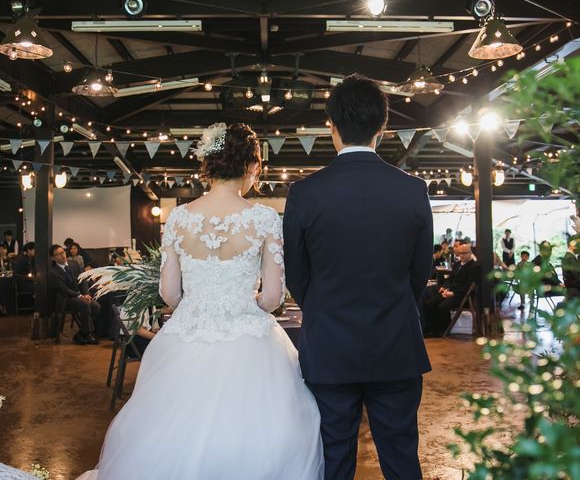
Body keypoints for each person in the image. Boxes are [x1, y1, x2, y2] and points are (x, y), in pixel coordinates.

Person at [77, 123, 323, 480]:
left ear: (209, 163)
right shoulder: (264, 218)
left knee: (170, 429)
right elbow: (272, 297)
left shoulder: (179, 217)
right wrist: (246, 306)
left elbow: (169, 293)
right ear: (252, 165)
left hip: (187, 334)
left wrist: (199, 307)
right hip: (249, 339)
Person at [284, 75, 432, 480]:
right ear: (382, 128)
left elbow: (297, 276)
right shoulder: (413, 190)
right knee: (402, 458)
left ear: (330, 125)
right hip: (396, 344)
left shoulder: (304, 193)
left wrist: (325, 306)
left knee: (334, 457)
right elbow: (420, 273)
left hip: (329, 347)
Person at [423, 243, 480, 337]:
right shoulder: (457, 264)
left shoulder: (474, 266)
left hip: (461, 296)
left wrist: (452, 293)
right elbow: (450, 279)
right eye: (460, 253)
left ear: (470, 253)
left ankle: (443, 330)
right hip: (449, 292)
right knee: (428, 304)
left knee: (442, 307)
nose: (461, 255)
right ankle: (432, 329)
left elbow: (468, 286)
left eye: (464, 253)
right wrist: (444, 287)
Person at [49, 245, 100, 345]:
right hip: (66, 299)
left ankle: (82, 333)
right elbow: (63, 289)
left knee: (96, 306)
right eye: (58, 254)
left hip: (80, 295)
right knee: (85, 304)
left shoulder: (74, 264)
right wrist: (80, 296)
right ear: (53, 258)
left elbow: (83, 279)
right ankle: (88, 334)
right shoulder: (53, 272)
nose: (62, 255)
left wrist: (86, 293)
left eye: (63, 252)